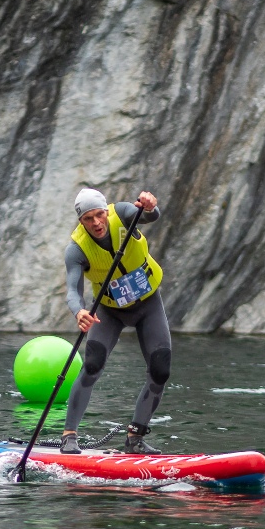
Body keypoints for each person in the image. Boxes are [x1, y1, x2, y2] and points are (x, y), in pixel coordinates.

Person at [61, 187, 171, 455]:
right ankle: (69, 436)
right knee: (92, 365)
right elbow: (72, 290)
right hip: (110, 310)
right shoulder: (76, 249)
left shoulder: (122, 214)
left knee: (160, 370)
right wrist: (79, 312)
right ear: (81, 221)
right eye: (88, 218)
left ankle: (135, 437)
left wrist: (149, 205)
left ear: (106, 211)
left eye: (99, 215)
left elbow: (149, 215)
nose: (96, 223)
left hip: (148, 305)